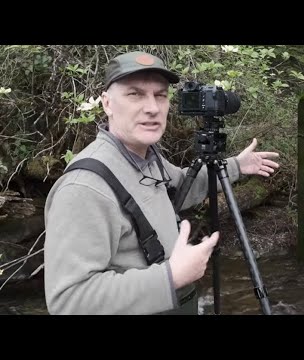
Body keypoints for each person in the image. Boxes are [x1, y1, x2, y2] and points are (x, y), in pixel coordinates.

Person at [43, 51, 280, 315]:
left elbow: (181, 188)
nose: (153, 108)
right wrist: (170, 277)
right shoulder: (84, 188)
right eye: (135, 94)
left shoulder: (147, 158)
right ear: (107, 103)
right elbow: (68, 301)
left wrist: (237, 166)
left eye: (161, 95)